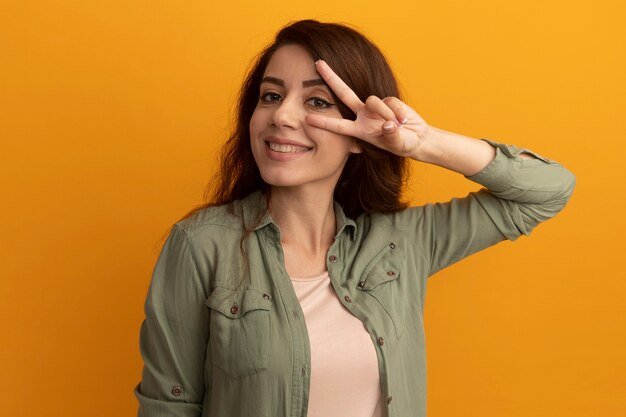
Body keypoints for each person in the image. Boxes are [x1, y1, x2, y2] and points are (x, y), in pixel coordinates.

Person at [135, 19, 575, 417]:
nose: (283, 116)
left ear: (359, 133)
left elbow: (547, 190)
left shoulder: (401, 242)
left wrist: (419, 141)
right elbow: (167, 408)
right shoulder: (201, 244)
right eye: (271, 96)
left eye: (318, 101)